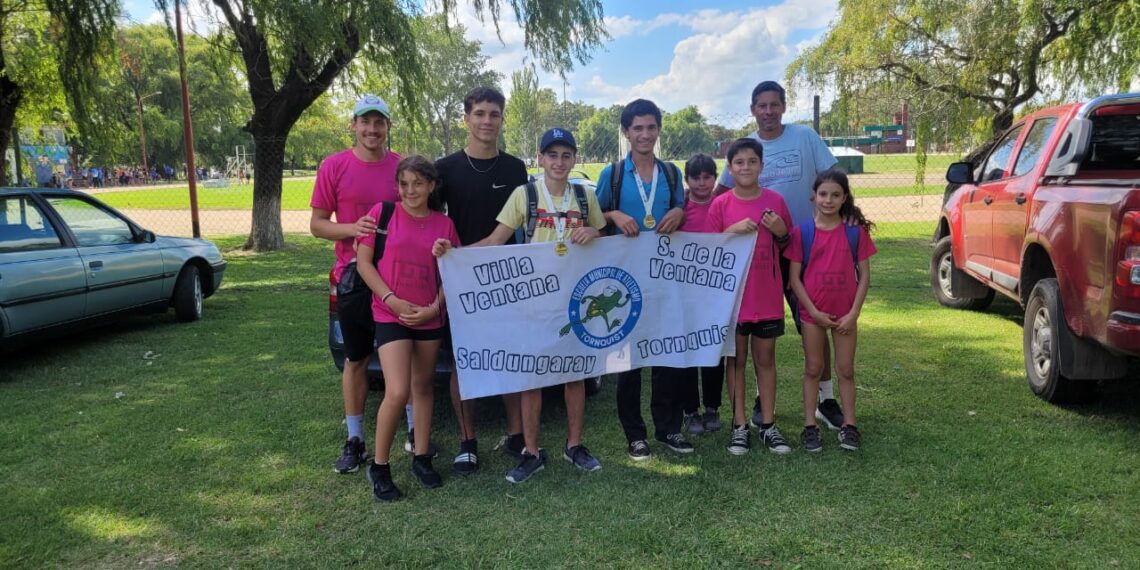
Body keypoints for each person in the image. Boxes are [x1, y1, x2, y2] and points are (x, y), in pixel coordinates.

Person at [433, 127, 606, 483]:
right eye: (552, 155)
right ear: (540, 158)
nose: (559, 162)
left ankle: (575, 445)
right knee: (533, 376)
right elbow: (496, 240)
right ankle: (531, 450)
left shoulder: (584, 198)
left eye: (566, 155)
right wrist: (456, 255)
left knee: (574, 375)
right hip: (532, 301)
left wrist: (594, 232)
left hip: (574, 300)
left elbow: (601, 236)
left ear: (574, 159)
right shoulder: (524, 195)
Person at [713, 80, 844, 433]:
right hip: (759, 258)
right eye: (761, 105)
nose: (768, 111)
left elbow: (834, 179)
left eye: (774, 104)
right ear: (752, 109)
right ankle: (760, 401)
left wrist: (837, 223)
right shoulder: (746, 150)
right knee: (758, 332)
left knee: (812, 324)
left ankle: (825, 398)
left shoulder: (804, 137)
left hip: (804, 247)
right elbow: (720, 194)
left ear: (784, 106)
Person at [433, 87, 529, 475]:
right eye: (479, 114)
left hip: (507, 278)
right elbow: (432, 220)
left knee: (510, 354)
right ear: (467, 119)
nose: (487, 121)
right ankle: (467, 441)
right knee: (464, 359)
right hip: (461, 276)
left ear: (502, 119)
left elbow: (525, 223)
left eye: (494, 114)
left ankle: (516, 433)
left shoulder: (514, 168)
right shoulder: (445, 168)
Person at [355, 156, 459, 501]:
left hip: (429, 316)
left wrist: (434, 307)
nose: (410, 190)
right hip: (390, 314)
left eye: (417, 183)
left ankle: (421, 455)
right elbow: (365, 264)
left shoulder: (444, 224)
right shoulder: (382, 214)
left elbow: (453, 272)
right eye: (404, 184)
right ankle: (380, 466)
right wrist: (393, 300)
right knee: (398, 391)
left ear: (431, 185)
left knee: (423, 387)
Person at [310, 94, 403, 475]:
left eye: (379, 122)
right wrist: (353, 228)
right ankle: (355, 439)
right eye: (365, 122)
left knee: (405, 358)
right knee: (357, 359)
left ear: (387, 128)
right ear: (354, 125)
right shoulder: (334, 166)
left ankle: (414, 433)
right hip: (353, 277)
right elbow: (317, 224)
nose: (372, 129)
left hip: (398, 276)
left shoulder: (401, 167)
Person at [595, 99, 691, 460]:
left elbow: (681, 206)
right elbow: (596, 215)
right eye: (637, 128)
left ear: (658, 131)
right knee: (629, 362)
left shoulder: (670, 173)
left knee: (666, 356)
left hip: (664, 278)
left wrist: (679, 211)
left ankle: (668, 428)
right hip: (625, 282)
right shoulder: (614, 174)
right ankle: (635, 434)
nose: (645, 134)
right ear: (626, 132)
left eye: (651, 127)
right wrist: (614, 213)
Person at [708, 138, 793, 455]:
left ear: (761, 165)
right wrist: (731, 231)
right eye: (739, 162)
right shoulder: (722, 205)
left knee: (765, 360)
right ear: (730, 168)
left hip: (766, 297)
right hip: (733, 300)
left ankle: (768, 425)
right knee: (736, 359)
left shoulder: (775, 201)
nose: (745, 167)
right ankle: (739, 424)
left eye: (752, 161)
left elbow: (788, 246)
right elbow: (709, 252)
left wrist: (782, 230)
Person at [786, 169, 876, 452]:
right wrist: (812, 310)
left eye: (835, 195)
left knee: (845, 370)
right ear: (814, 197)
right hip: (813, 315)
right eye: (823, 194)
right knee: (813, 368)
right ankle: (809, 427)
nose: (828, 200)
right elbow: (794, 279)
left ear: (844, 198)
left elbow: (864, 277)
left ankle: (849, 426)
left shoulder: (854, 232)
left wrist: (854, 314)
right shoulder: (803, 232)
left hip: (845, 314)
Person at [678, 153, 725, 435]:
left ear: (714, 177)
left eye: (708, 177)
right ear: (687, 180)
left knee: (713, 350)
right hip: (685, 291)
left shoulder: (722, 204)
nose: (702, 183)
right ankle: (689, 411)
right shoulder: (680, 206)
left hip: (715, 291)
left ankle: (712, 407)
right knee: (687, 350)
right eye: (696, 177)